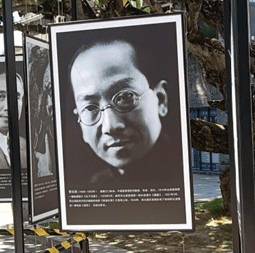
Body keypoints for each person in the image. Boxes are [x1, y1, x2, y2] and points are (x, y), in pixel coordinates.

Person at [67, 36, 181, 185]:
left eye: (125, 97)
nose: (111, 126)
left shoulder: (181, 174)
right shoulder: (95, 185)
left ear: (160, 99)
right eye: (89, 108)